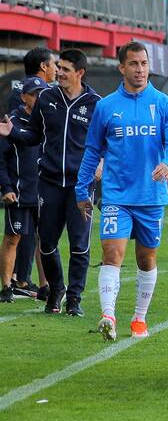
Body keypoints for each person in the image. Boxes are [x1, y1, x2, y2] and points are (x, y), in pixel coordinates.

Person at [74, 42, 168, 340]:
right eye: (134, 64)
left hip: (151, 196)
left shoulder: (164, 105)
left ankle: (139, 318)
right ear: (121, 67)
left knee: (146, 259)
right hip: (116, 196)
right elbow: (92, 149)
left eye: (144, 63)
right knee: (112, 253)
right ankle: (108, 315)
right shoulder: (107, 106)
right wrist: (81, 189)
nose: (140, 69)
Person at [0, 49, 101, 316]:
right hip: (49, 183)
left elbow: (107, 141)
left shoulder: (95, 103)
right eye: (58, 67)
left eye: (66, 69)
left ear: (80, 73)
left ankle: (75, 299)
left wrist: (103, 162)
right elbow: (33, 134)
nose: (59, 72)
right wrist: (13, 132)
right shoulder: (47, 98)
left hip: (82, 186)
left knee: (80, 244)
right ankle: (56, 289)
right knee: (46, 242)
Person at [5, 47, 56, 300]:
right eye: (54, 64)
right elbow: (15, 142)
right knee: (18, 233)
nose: (57, 69)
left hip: (40, 181)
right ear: (44, 67)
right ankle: (17, 280)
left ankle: (29, 280)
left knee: (39, 235)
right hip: (22, 182)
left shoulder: (46, 104)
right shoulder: (19, 105)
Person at [0, 78, 47, 303]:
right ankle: (7, 287)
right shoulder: (12, 121)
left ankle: (47, 285)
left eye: (42, 93)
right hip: (19, 192)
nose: (39, 98)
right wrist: (6, 187)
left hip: (45, 192)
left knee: (46, 240)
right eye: (34, 93)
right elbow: (1, 158)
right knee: (12, 238)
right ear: (23, 97)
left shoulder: (49, 120)